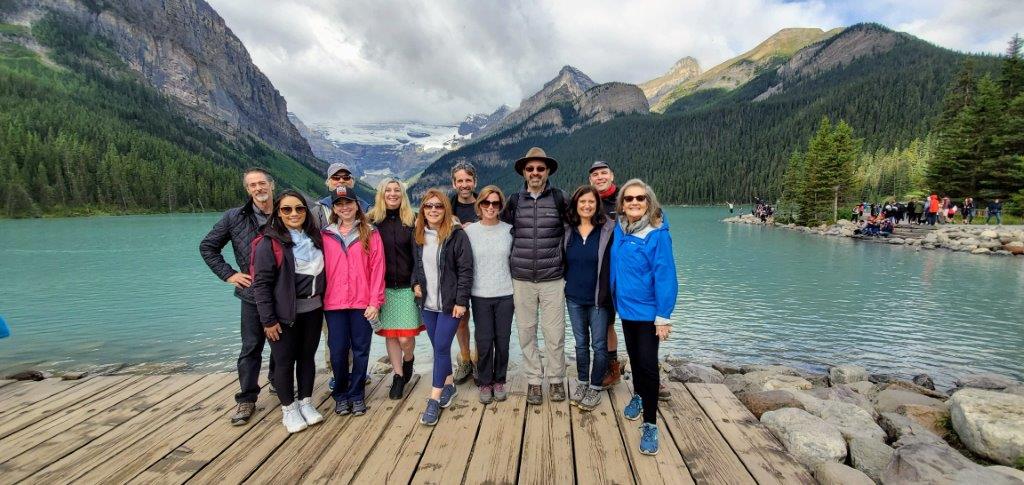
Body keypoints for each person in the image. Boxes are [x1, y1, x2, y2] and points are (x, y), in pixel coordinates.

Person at [199, 168, 277, 425]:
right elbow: (208, 246)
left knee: (283, 344)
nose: (258, 188)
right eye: (252, 185)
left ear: (271, 185)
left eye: (262, 183)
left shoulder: (287, 212)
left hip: (283, 292)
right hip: (252, 294)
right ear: (247, 189)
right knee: (251, 347)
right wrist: (230, 274)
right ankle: (246, 399)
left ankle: (278, 382)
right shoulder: (234, 217)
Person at [611, 178, 678, 456]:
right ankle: (638, 395)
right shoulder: (620, 228)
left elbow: (666, 275)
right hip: (626, 309)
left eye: (640, 198)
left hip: (649, 313)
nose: (635, 202)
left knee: (649, 366)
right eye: (629, 199)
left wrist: (664, 315)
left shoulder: (657, 233)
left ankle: (650, 423)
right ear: (622, 204)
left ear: (649, 203)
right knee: (635, 359)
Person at [252, 190, 326, 433]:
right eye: (287, 209)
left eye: (299, 209)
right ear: (278, 213)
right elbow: (261, 286)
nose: (294, 214)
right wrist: (268, 320)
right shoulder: (269, 243)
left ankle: (305, 402)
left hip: (314, 310)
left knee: (307, 358)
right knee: (284, 362)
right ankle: (288, 409)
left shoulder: (315, 239)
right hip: (285, 315)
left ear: (306, 211)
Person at [501, 147, 569, 405]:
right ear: (524, 173)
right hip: (521, 279)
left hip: (553, 278)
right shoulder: (514, 201)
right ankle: (533, 381)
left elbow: (575, 228)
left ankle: (555, 380)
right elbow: (500, 228)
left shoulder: (561, 198)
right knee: (526, 331)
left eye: (540, 168)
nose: (535, 172)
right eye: (530, 169)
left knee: (554, 333)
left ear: (547, 171)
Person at [322, 186, 385, 417]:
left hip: (362, 304)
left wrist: (374, 302)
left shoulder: (371, 232)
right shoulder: (324, 235)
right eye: (339, 204)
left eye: (349, 202)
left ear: (357, 205)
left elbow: (378, 269)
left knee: (360, 351)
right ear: (334, 208)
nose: (345, 207)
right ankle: (340, 394)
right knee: (337, 351)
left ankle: (357, 394)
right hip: (333, 304)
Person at [412, 189, 474, 425]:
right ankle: (449, 386)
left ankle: (434, 399)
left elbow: (466, 271)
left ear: (446, 209)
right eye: (429, 206)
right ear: (423, 210)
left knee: (440, 347)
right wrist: (414, 283)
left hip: (450, 305)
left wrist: (461, 301)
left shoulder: (456, 235)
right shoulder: (418, 235)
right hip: (427, 304)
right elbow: (415, 266)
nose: (434, 210)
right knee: (440, 348)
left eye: (438, 206)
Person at [367, 178, 423, 400]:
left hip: (408, 288)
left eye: (396, 190)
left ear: (403, 194)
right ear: (381, 194)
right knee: (391, 336)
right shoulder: (372, 221)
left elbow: (419, 255)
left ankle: (409, 359)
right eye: (388, 190)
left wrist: (417, 282)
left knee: (405, 339)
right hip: (383, 289)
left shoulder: (412, 220)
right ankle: (398, 376)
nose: (392, 194)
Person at [564, 186, 614, 411]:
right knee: (581, 344)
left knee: (600, 345)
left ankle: (595, 386)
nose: (586, 206)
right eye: (582, 202)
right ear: (576, 204)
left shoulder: (608, 230)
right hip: (573, 298)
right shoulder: (568, 231)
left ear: (597, 205)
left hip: (599, 300)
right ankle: (582, 382)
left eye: (591, 202)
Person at [463, 186, 514, 404]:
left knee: (502, 340)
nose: (490, 207)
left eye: (495, 203)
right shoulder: (469, 232)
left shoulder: (510, 230)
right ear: (479, 205)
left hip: (506, 293)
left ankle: (499, 380)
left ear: (501, 206)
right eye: (486, 203)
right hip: (480, 294)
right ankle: (485, 381)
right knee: (483, 341)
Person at [588, 161, 623, 389]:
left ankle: (650, 374)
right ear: (591, 180)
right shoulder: (589, 201)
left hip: (627, 273)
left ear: (611, 175)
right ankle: (613, 368)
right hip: (601, 275)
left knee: (640, 323)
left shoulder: (625, 198)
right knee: (608, 323)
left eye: (603, 173)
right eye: (595, 175)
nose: (600, 177)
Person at [449, 162, 479, 384]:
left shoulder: (486, 204)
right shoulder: (446, 208)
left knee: (484, 320)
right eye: (460, 180)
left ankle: (480, 362)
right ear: (454, 183)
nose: (464, 185)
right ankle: (465, 360)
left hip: (483, 271)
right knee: (460, 319)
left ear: (474, 182)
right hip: (456, 272)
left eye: (468, 180)